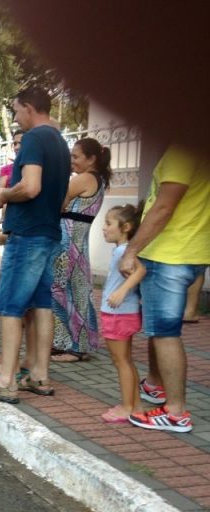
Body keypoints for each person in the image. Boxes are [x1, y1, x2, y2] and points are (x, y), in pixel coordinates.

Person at [0, 86, 70, 403]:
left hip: (27, 234)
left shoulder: (35, 138)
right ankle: (39, 375)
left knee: (9, 305)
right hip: (48, 231)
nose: (15, 117)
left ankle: (6, 381)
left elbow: (30, 187)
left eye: (16, 110)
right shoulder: (60, 142)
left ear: (29, 107)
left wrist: (2, 195)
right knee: (41, 303)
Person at [121, 145, 210, 433]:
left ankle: (175, 412)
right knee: (160, 329)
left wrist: (131, 250)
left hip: (168, 255)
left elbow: (163, 207)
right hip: (191, 251)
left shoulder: (182, 152)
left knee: (165, 333)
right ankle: (156, 386)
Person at [50, 137, 110, 362]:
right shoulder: (99, 180)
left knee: (62, 292)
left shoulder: (83, 178)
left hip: (67, 246)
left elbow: (57, 203)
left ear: (91, 159)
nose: (71, 161)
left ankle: (73, 346)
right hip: (78, 244)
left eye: (76, 157)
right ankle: (66, 342)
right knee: (76, 292)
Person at [98, 205, 144, 423]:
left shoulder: (123, 250)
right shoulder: (122, 250)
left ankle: (127, 407)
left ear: (125, 227)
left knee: (121, 362)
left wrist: (122, 291)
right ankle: (135, 405)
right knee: (126, 361)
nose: (104, 228)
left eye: (108, 223)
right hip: (123, 313)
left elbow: (141, 271)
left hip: (118, 314)